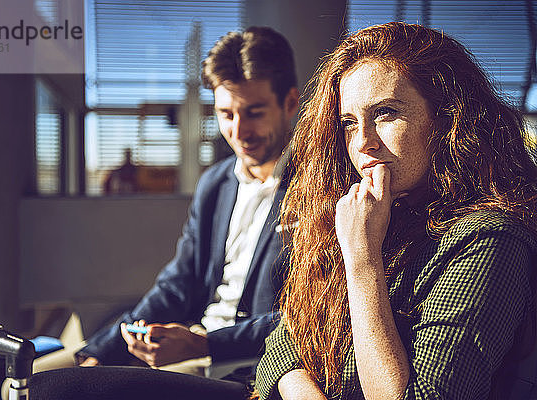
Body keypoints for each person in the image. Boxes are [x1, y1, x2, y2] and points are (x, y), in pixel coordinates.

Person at [254, 22, 537, 399]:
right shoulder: (379, 212)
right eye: (349, 123)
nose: (363, 143)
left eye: (386, 113)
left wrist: (361, 259)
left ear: (447, 118)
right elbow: (283, 341)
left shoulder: (490, 239)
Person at [78, 26, 299, 378]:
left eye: (254, 112)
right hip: (194, 350)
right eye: (227, 114)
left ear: (289, 103)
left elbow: (309, 315)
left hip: (259, 368)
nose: (239, 133)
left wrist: (206, 346)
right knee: (46, 378)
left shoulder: (319, 187)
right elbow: (178, 284)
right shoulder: (215, 183)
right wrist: (103, 351)